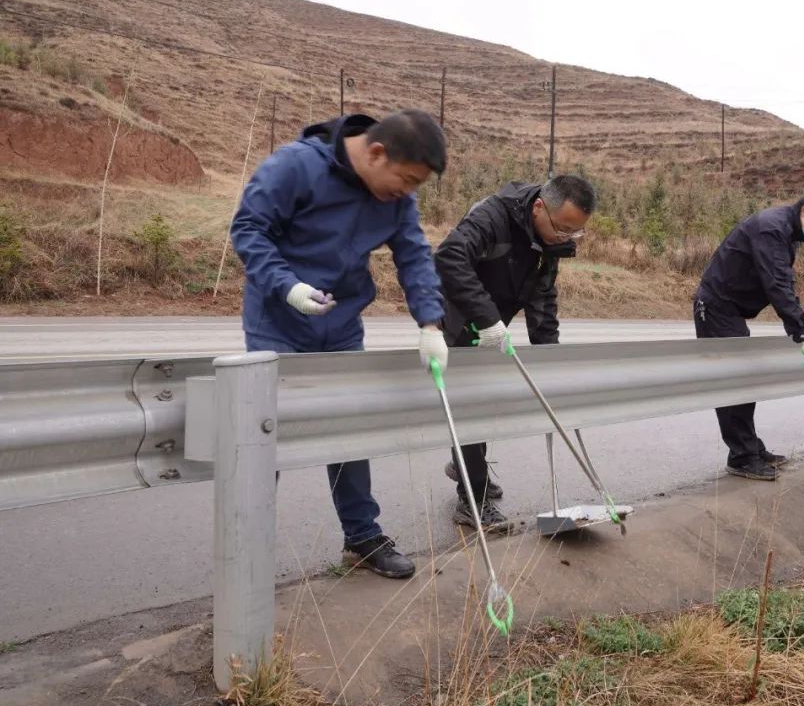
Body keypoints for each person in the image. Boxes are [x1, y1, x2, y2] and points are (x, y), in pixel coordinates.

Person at [230, 109, 450, 580]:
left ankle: (362, 536)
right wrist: (287, 285)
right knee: (264, 435)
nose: (407, 193)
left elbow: (413, 254)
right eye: (406, 179)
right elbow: (249, 229)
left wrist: (431, 324)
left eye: (416, 186)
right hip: (278, 323)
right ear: (376, 153)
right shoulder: (294, 166)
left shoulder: (394, 198)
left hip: (343, 324)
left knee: (349, 430)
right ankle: (247, 546)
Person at [434, 175, 597, 531]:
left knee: (484, 400)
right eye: (563, 229)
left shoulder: (548, 236)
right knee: (471, 404)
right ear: (539, 206)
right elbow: (449, 258)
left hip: (496, 318)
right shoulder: (493, 216)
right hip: (463, 312)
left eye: (576, 233)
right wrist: (487, 319)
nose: (566, 238)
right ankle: (471, 500)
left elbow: (542, 296)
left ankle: (465, 464)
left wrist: (548, 358)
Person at [694, 184, 804, 481]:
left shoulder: (787, 234)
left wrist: (802, 323)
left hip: (732, 310)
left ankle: (750, 447)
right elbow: (775, 284)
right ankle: (741, 456)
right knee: (733, 382)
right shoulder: (771, 229)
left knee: (743, 380)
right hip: (716, 307)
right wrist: (802, 336)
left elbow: (784, 283)